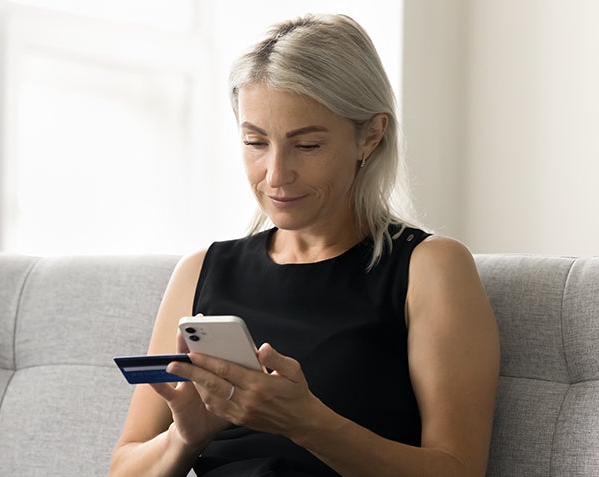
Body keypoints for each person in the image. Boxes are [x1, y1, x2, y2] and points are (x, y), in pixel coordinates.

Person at [109, 13, 499, 477]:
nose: (275, 175)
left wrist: (307, 423)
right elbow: (124, 468)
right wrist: (186, 436)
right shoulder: (200, 271)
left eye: (307, 146)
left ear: (370, 136)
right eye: (255, 142)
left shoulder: (429, 268)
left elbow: (458, 470)